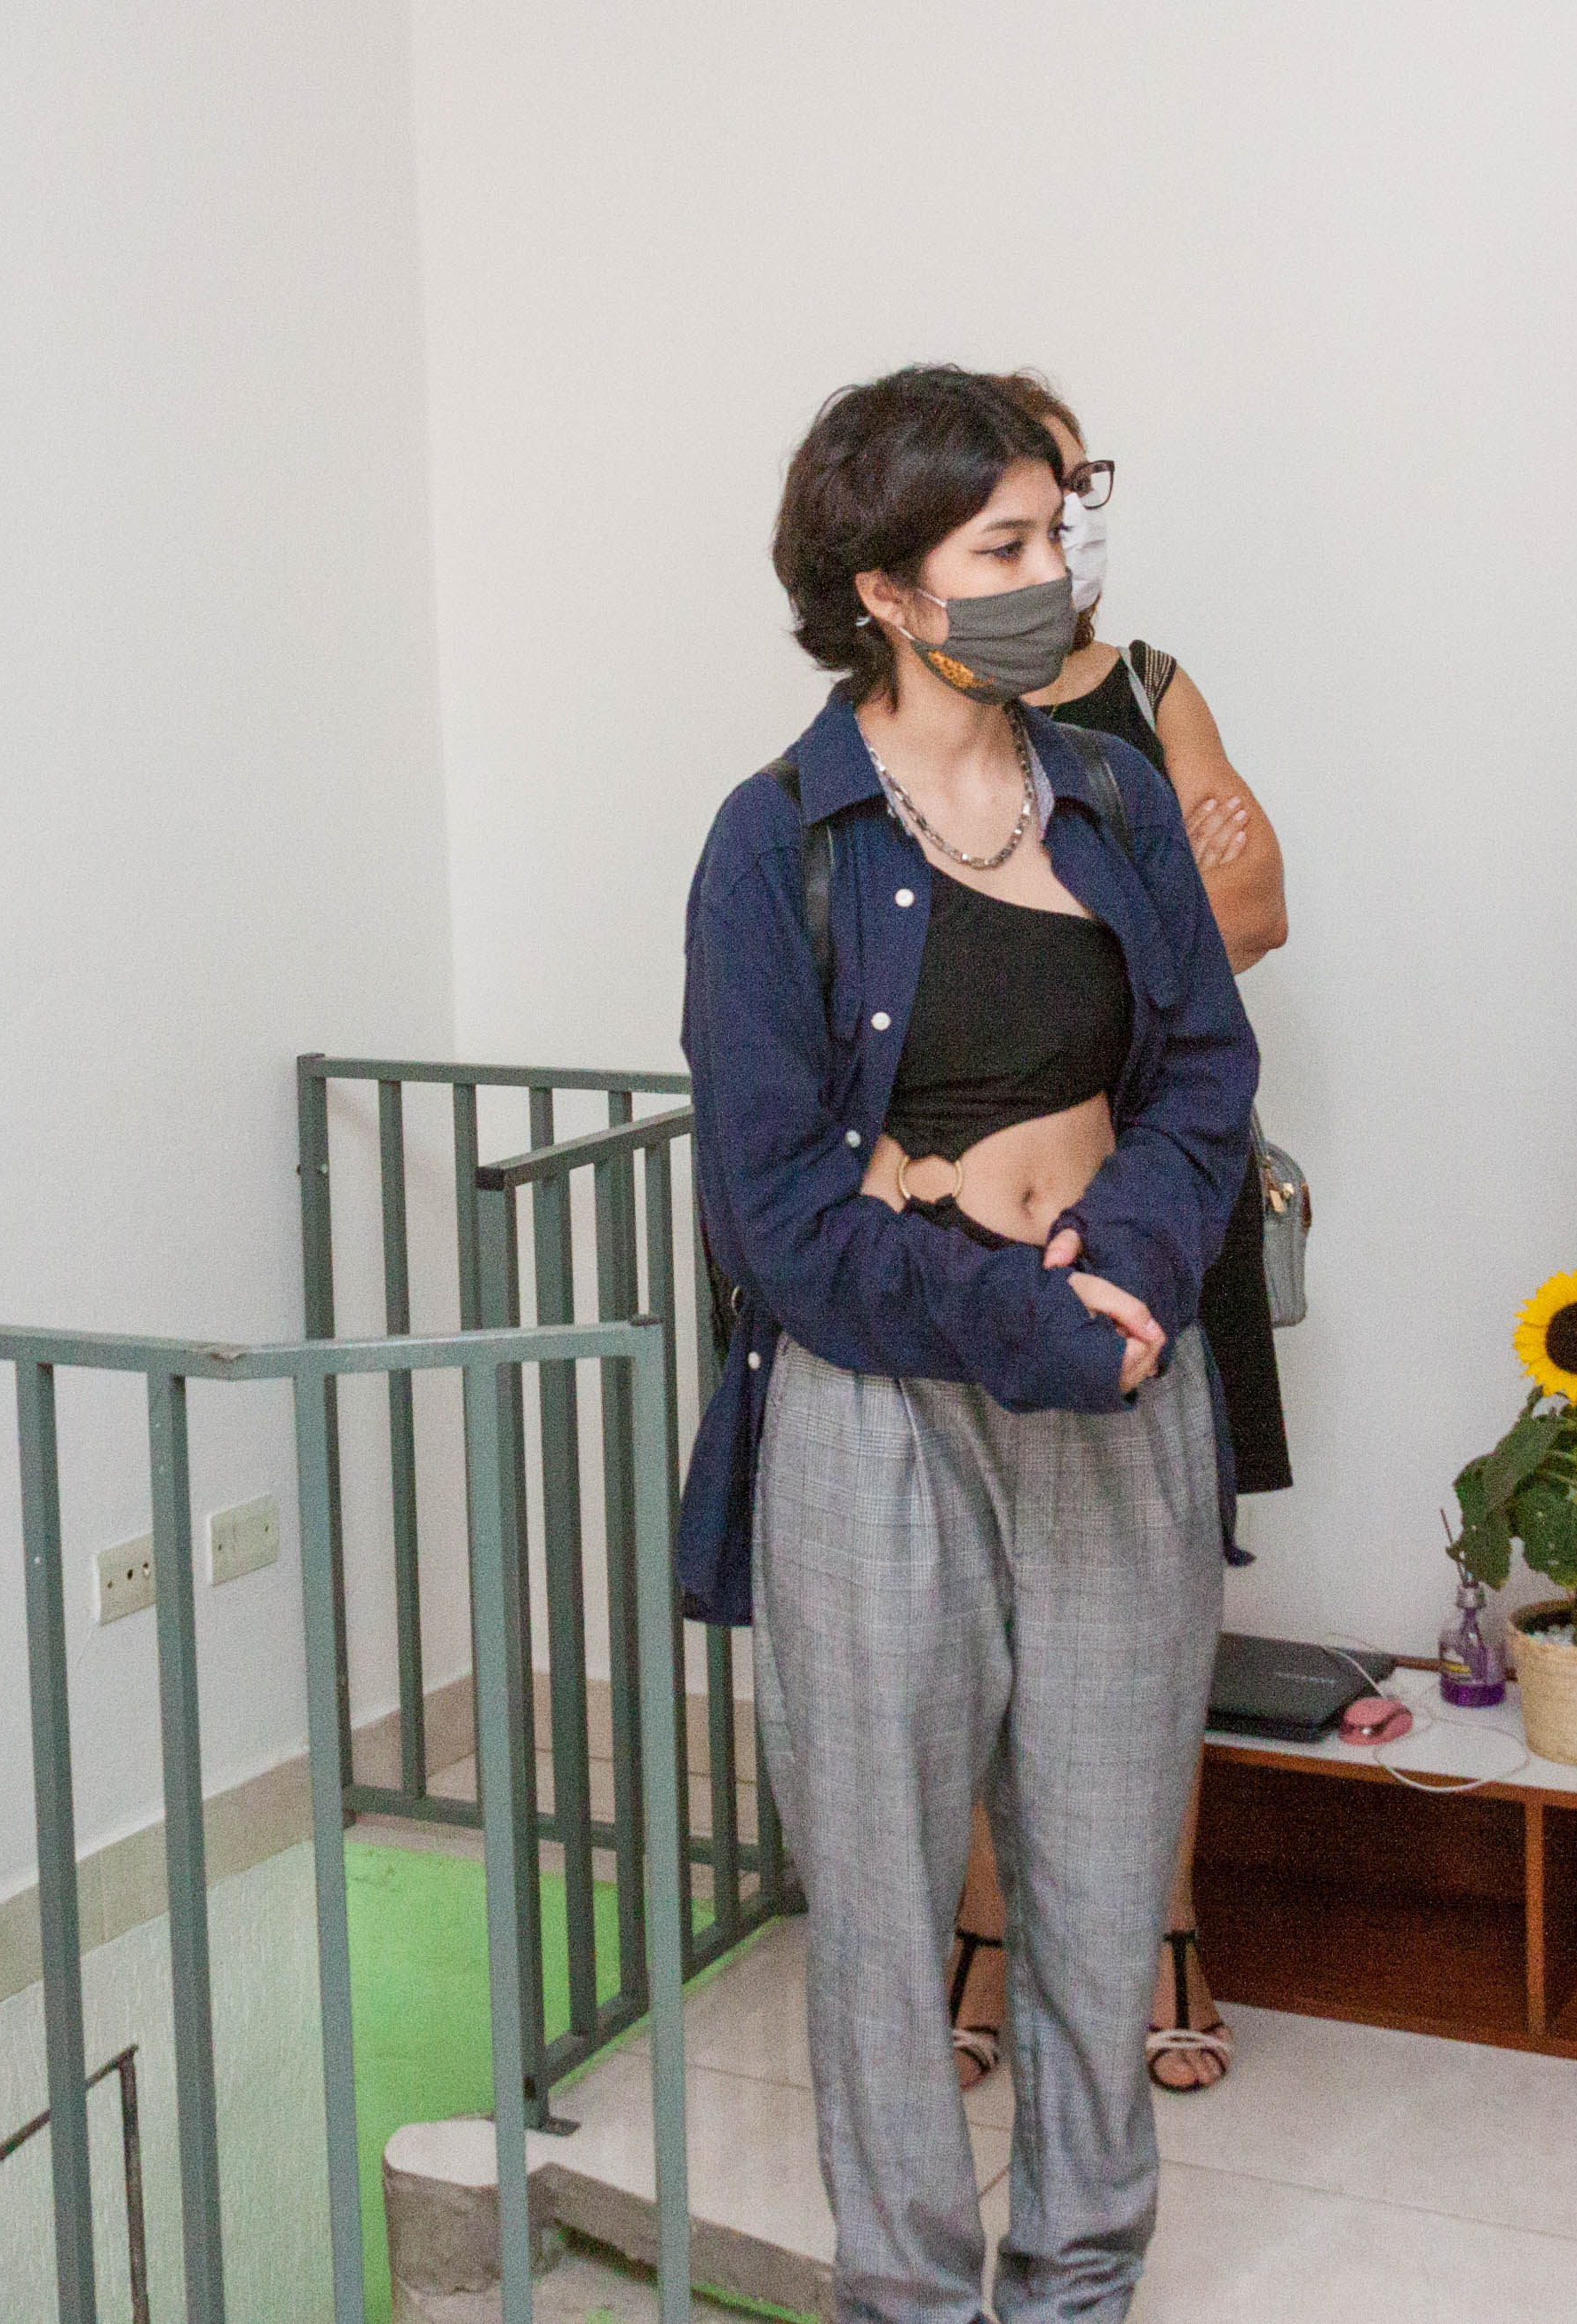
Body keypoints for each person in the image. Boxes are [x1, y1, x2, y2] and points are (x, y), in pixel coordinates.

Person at [682, 364, 1256, 2324]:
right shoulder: (774, 844)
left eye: (1052, 538)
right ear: (888, 593)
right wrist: (1029, 1312)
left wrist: (1133, 1268)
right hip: (880, 1410)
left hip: (1118, 1382)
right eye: (998, 550)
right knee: (878, 1901)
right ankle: (909, 2298)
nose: (1044, 580)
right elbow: (778, 1214)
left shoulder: (1105, 794)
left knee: (1099, 1897)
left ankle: (1079, 2280)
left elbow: (1202, 1073)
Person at [944, 370, 1290, 2099]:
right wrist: (1133, 911)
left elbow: (1256, 901)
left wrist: (1060, 931)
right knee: (975, 1607)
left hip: (1155, 1191)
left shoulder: (1150, 691)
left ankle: (1163, 1927)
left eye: (1075, 492)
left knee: (1151, 1602)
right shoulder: (910, 717)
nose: (1056, 530)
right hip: (960, 1221)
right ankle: (991, 1936)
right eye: (1019, 501)